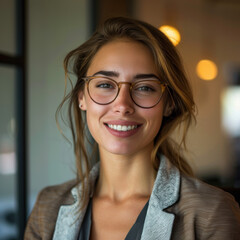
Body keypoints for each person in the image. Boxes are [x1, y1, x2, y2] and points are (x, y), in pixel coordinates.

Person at [24, 17, 240, 240]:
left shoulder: (210, 212)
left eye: (144, 88)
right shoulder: (47, 207)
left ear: (169, 103)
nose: (123, 106)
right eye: (106, 85)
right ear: (82, 97)